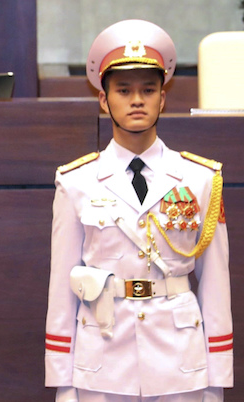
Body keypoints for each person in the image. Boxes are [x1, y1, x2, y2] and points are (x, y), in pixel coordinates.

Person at [44, 20, 232, 402]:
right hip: (101, 362)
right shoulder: (76, 182)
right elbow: (61, 290)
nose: (137, 100)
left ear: (163, 98)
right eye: (124, 90)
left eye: (149, 90)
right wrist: (63, 384)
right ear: (103, 100)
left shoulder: (200, 178)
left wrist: (217, 381)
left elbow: (215, 287)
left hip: (181, 363)